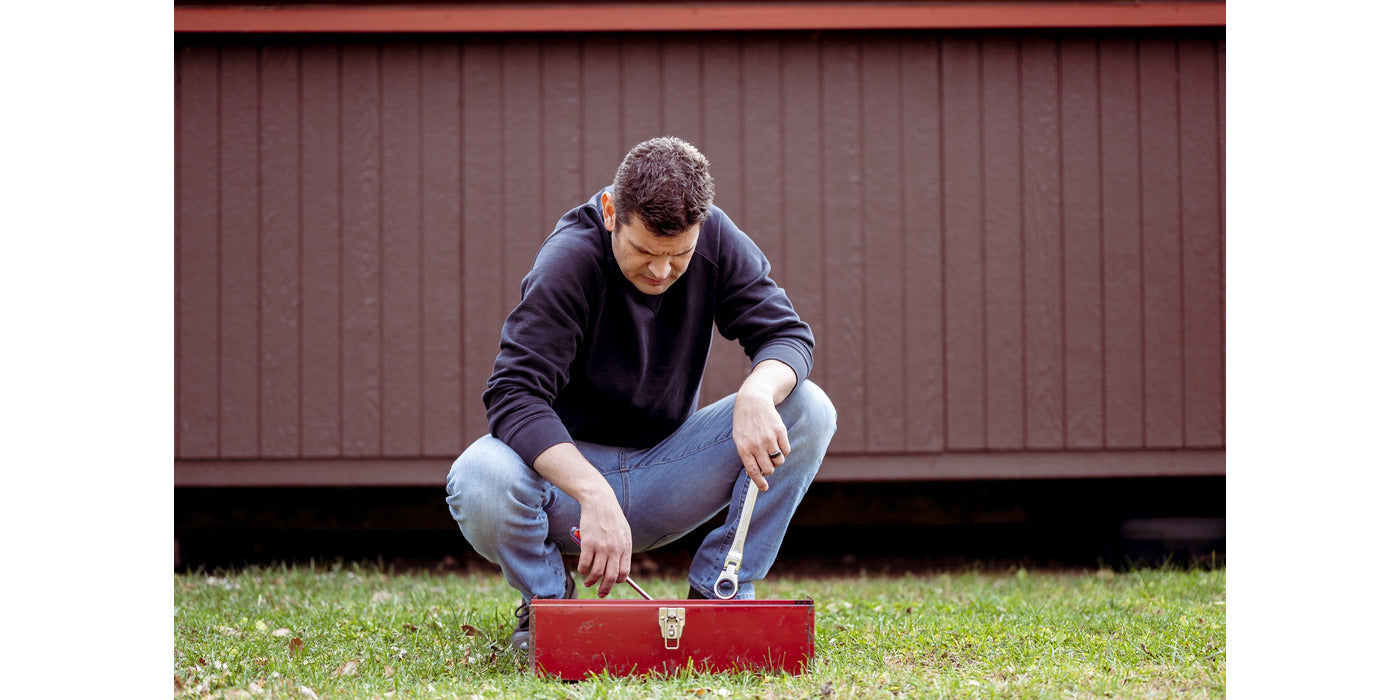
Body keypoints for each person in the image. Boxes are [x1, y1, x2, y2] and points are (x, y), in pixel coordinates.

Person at [445, 136, 837, 652]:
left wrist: (757, 393)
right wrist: (592, 492)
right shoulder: (569, 260)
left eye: (679, 256)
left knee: (809, 407)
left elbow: (786, 334)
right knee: (479, 477)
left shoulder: (716, 237)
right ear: (611, 212)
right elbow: (514, 394)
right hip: (567, 490)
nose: (660, 271)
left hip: (669, 471)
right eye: (644, 251)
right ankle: (546, 607)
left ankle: (720, 593)